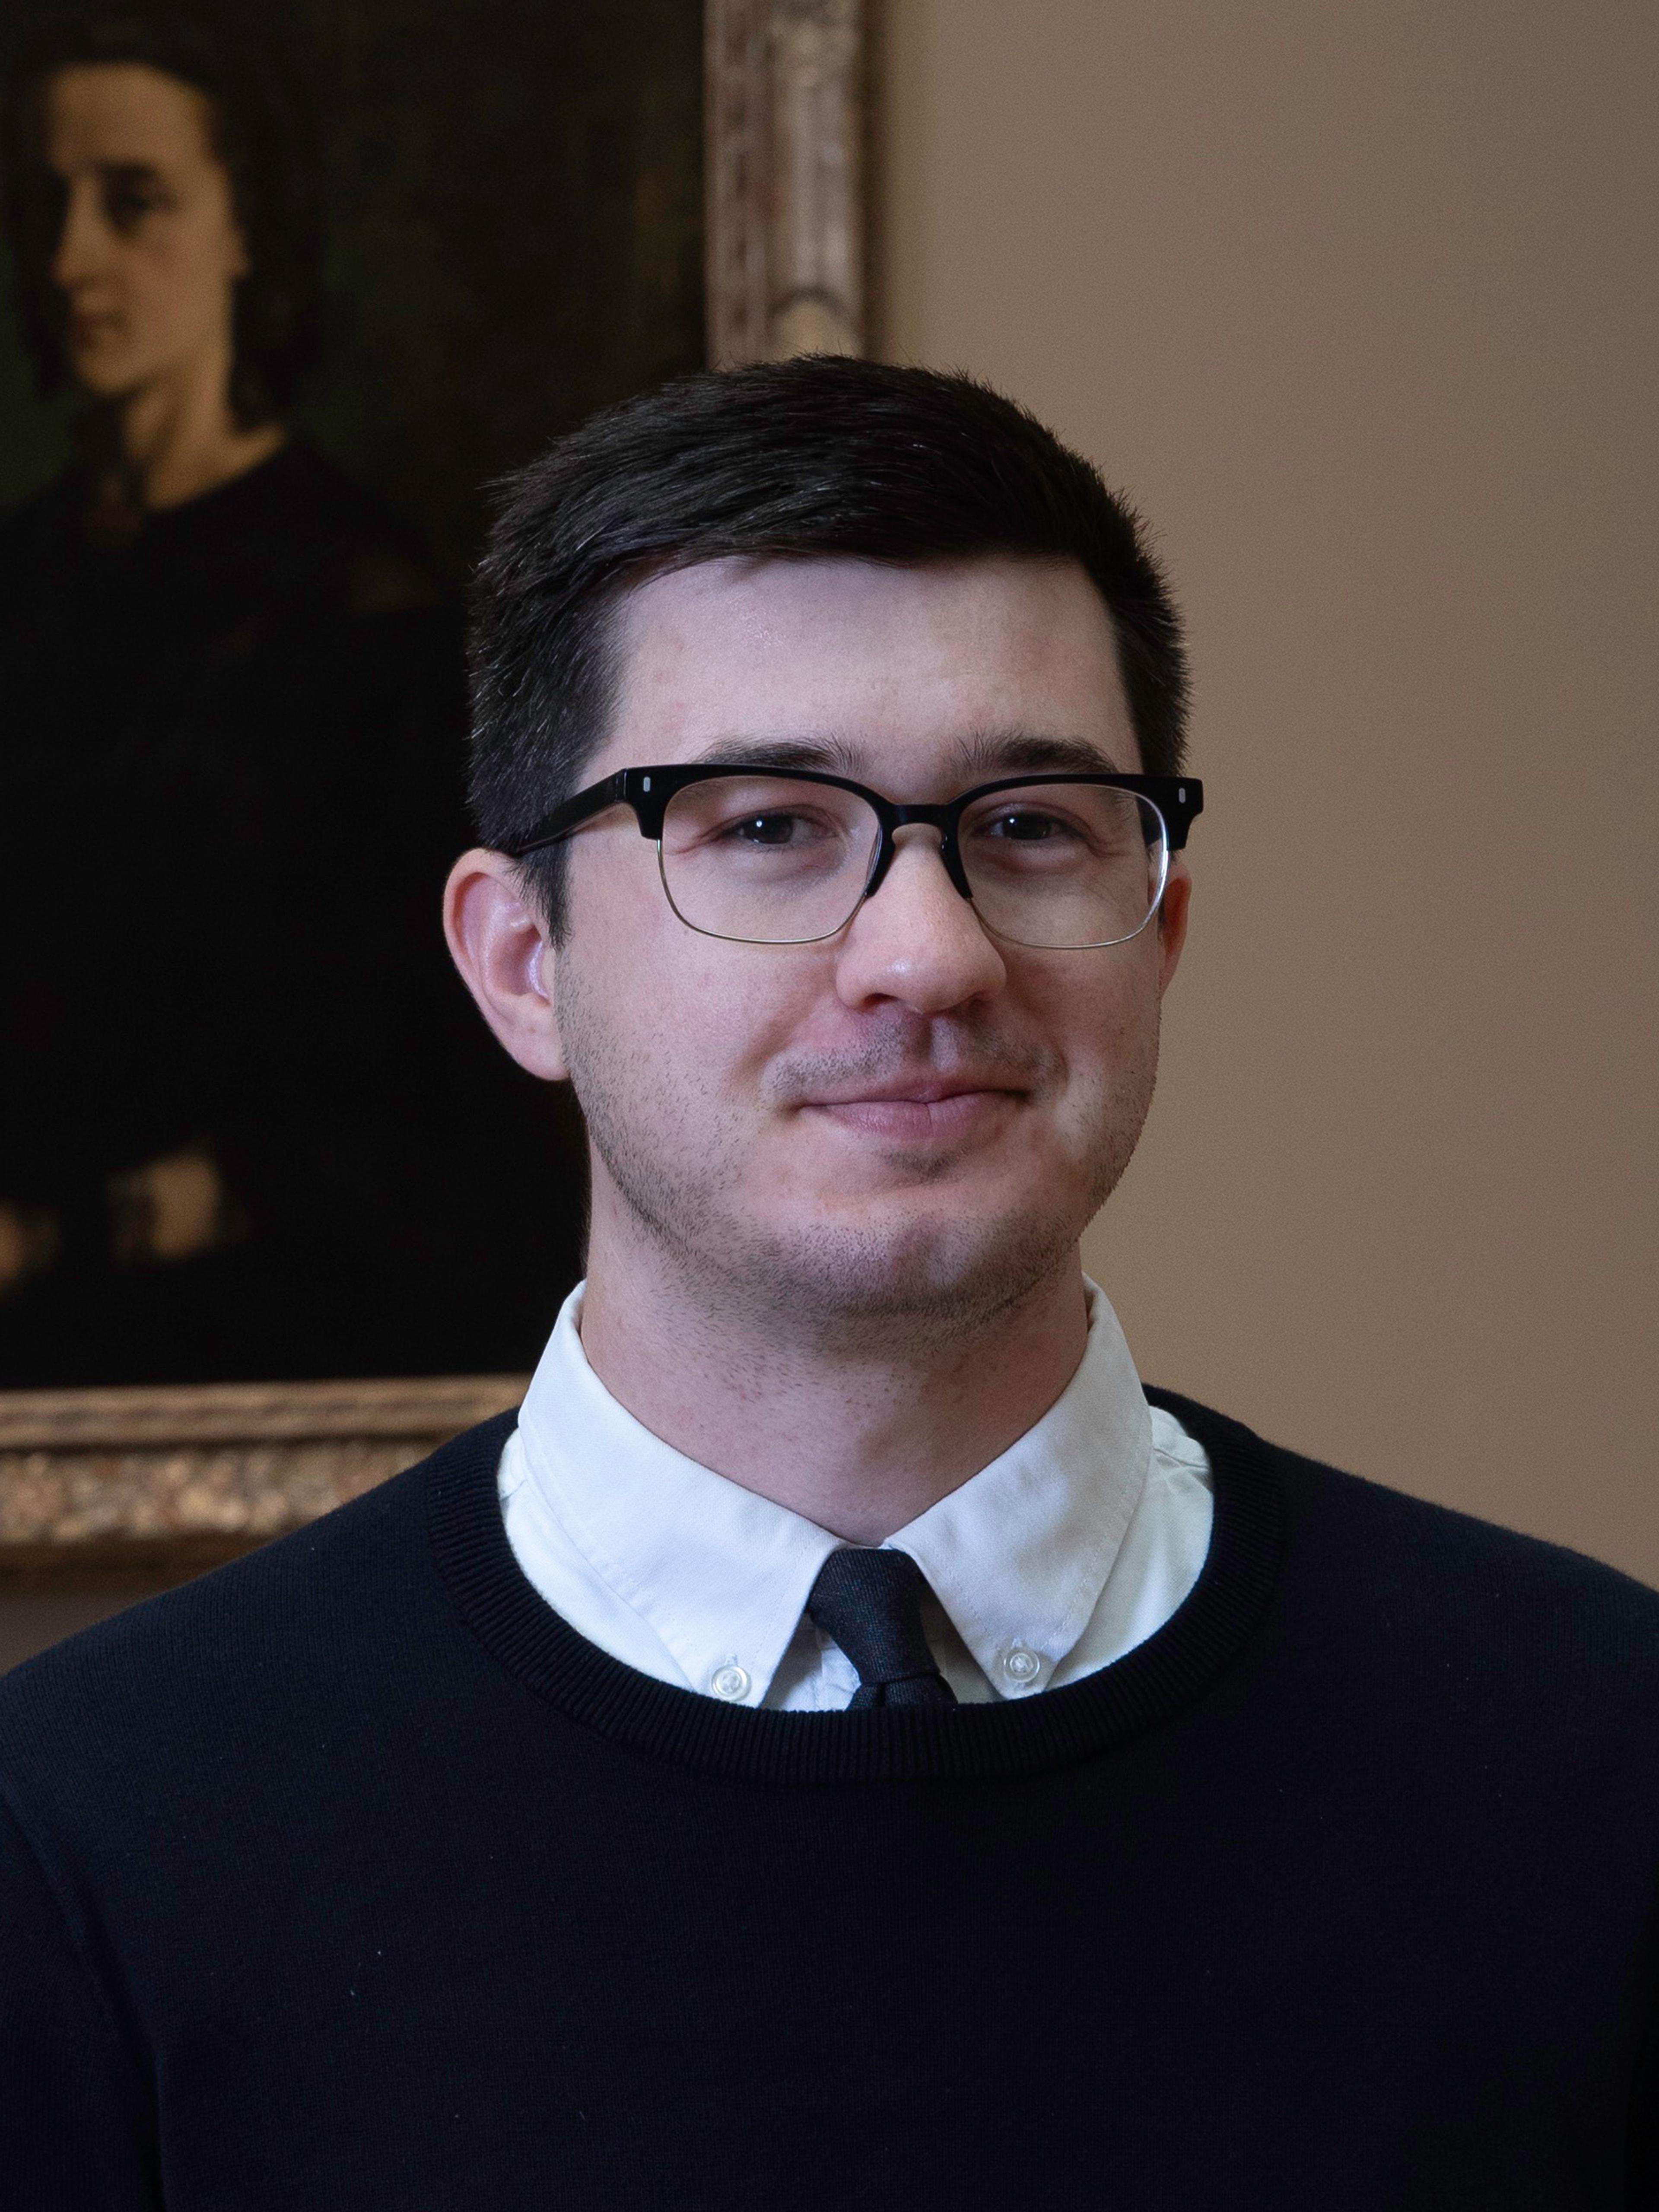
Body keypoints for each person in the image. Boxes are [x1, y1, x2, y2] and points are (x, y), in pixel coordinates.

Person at [0, 357, 1654, 2205]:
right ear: (523, 961)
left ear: (1162, 931)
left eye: (1032, 823)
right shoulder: (82, 1842)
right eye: (770, 825)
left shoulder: (1600, 1755)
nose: (929, 953)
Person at [0, 11, 581, 1382]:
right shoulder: (21, 575)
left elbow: (411, 1105)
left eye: (133, 202)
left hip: (259, 1330)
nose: (73, 258)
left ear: (245, 228)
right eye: (46, 205)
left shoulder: (365, 607)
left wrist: (61, 1232)